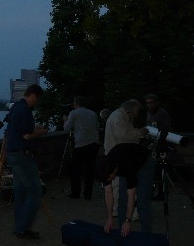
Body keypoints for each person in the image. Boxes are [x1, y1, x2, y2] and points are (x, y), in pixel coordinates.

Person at [97, 99, 153, 236]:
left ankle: (146, 234)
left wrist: (128, 220)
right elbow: (108, 192)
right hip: (124, 158)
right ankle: (121, 232)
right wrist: (109, 217)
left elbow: (131, 194)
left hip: (144, 163)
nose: (136, 115)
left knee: (142, 200)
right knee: (121, 197)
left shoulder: (125, 167)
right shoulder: (105, 167)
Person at [4, 84, 48, 239]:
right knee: (35, 190)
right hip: (21, 155)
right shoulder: (24, 110)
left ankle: (20, 226)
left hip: (14, 153)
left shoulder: (16, 108)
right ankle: (23, 227)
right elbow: (27, 135)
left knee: (21, 191)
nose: (37, 102)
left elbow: (23, 130)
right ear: (33, 95)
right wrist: (43, 131)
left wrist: (35, 129)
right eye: (37, 99)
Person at [63, 96, 100, 200]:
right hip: (93, 143)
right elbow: (97, 126)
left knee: (76, 170)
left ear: (76, 103)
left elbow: (66, 129)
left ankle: (76, 193)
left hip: (80, 144)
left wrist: (65, 120)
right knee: (90, 170)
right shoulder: (92, 113)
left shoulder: (74, 113)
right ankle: (88, 194)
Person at [145, 94, 172, 200]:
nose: (149, 105)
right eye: (147, 103)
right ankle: (152, 191)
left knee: (161, 169)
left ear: (156, 103)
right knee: (153, 169)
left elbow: (166, 131)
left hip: (161, 145)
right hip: (152, 144)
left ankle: (162, 192)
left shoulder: (162, 114)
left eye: (151, 102)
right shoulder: (148, 113)